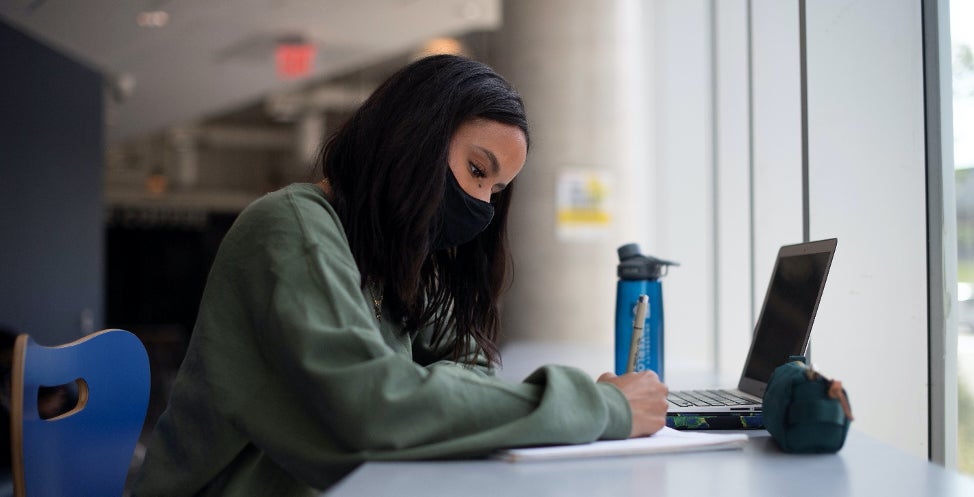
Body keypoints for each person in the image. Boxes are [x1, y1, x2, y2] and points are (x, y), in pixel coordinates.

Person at [133, 54, 668, 496]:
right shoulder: (290, 227)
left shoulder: (391, 257)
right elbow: (375, 407)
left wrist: (422, 394)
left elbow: (471, 367)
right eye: (477, 171)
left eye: (495, 191)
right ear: (415, 135)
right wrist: (601, 406)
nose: (481, 204)